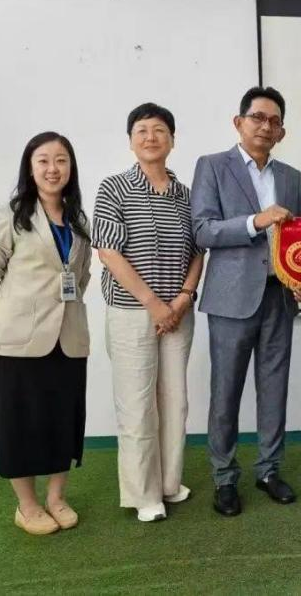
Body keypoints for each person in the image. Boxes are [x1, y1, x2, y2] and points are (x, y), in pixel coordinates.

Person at [190, 86, 301, 516]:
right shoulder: (212, 166)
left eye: (274, 121)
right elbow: (203, 230)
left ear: (282, 132)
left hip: (280, 297)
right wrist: (256, 221)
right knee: (226, 392)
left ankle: (268, 470)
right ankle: (224, 477)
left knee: (274, 389)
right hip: (231, 300)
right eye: (257, 117)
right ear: (238, 122)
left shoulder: (292, 177)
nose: (265, 126)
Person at [93, 103, 204, 522]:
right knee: (138, 406)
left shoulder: (186, 195)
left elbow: (198, 250)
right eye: (141, 130)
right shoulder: (114, 188)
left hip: (178, 313)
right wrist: (155, 305)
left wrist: (183, 298)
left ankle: (168, 484)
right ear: (130, 141)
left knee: (175, 403)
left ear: (172, 140)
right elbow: (108, 251)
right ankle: (144, 495)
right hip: (132, 313)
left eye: (159, 130)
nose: (151, 137)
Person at [0, 132, 91, 535]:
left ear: (70, 167)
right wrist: (8, 319)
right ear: (30, 166)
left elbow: (81, 276)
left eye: (61, 160)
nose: (52, 168)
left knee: (63, 419)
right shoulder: (11, 215)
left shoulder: (78, 219)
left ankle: (57, 498)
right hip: (19, 342)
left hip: (69, 338)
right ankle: (27, 506)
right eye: (43, 160)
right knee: (19, 424)